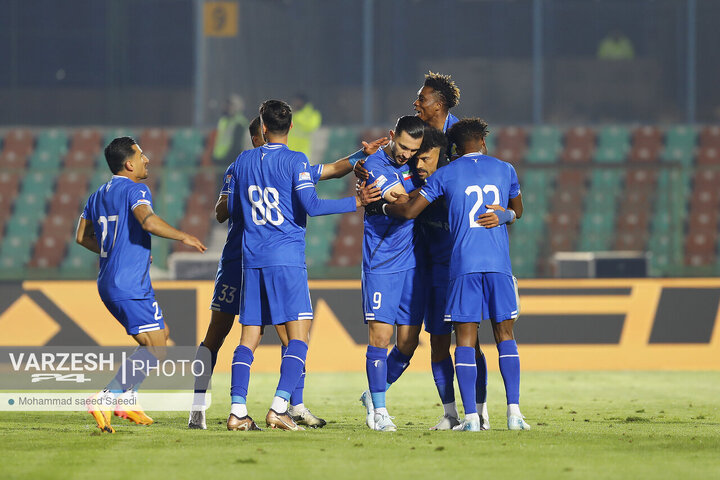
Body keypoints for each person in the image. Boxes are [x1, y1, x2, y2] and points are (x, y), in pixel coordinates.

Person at [188, 117, 385, 430]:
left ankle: (292, 405)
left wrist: (360, 156)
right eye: (254, 140)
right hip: (247, 260)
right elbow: (220, 211)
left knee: (276, 335)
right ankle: (203, 405)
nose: (257, 144)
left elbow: (332, 169)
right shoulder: (248, 167)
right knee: (228, 335)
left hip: (251, 258)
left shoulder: (264, 165)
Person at [373, 118, 529, 431]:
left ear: (454, 149)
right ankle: (514, 414)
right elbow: (517, 211)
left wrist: (379, 206)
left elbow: (409, 211)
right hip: (499, 265)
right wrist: (506, 215)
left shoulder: (445, 175)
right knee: (505, 337)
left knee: (465, 342)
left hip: (462, 268)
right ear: (483, 142)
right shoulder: (506, 169)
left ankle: (470, 418)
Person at [75, 137, 207, 433]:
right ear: (129, 164)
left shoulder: (97, 195)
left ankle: (127, 400)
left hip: (113, 280)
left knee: (161, 335)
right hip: (128, 283)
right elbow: (147, 221)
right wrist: (183, 236)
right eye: (142, 155)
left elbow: (81, 237)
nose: (147, 159)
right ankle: (107, 397)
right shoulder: (136, 189)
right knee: (156, 348)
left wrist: (115, 249)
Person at [357, 115, 427, 432]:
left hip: (411, 260)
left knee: (408, 343)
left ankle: (373, 392)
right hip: (382, 262)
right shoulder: (374, 165)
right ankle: (380, 411)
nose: (406, 155)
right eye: (402, 147)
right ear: (391, 137)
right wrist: (425, 184)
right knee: (380, 338)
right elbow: (400, 202)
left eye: (413, 151)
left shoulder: (413, 165)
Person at [213, 94, 249, 166]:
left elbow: (237, 146)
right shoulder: (224, 121)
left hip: (230, 161)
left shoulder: (239, 123)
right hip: (219, 160)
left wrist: (227, 159)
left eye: (229, 105)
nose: (226, 107)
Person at [287, 94, 322, 158]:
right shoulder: (287, 112)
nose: (295, 103)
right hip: (287, 152)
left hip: (301, 152)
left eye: (297, 101)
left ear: (303, 102)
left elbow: (311, 126)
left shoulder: (312, 113)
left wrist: (296, 115)